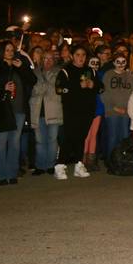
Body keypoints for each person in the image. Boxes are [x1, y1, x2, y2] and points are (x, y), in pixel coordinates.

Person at [0, 40, 37, 186]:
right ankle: (0, 174)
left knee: (15, 143)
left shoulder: (19, 64)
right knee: (0, 142)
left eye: (12, 50)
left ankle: (12, 173)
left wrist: (23, 67)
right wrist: (2, 86)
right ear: (1, 52)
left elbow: (32, 80)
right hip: (2, 109)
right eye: (7, 50)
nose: (10, 53)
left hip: (18, 109)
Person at [54, 45, 100, 180]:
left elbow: (101, 87)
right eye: (78, 55)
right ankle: (60, 166)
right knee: (69, 137)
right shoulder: (65, 71)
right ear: (72, 56)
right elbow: (59, 89)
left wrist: (93, 85)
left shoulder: (91, 71)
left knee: (81, 137)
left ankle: (79, 165)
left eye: (83, 55)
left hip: (87, 110)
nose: (81, 58)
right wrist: (76, 86)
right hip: (71, 110)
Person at [29, 50, 63, 175]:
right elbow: (32, 90)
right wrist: (44, 87)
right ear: (41, 60)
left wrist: (42, 87)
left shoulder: (59, 72)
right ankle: (40, 166)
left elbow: (57, 88)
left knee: (52, 140)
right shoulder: (34, 73)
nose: (48, 61)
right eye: (45, 58)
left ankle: (50, 165)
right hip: (38, 111)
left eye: (50, 58)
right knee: (39, 140)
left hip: (54, 110)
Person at [101, 53, 133, 164]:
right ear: (113, 63)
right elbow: (104, 93)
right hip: (112, 111)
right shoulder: (108, 74)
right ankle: (111, 160)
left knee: (124, 136)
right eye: (118, 62)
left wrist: (129, 109)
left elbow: (132, 93)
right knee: (113, 136)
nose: (120, 64)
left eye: (123, 62)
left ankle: (122, 159)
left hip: (126, 112)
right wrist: (113, 107)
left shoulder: (129, 75)